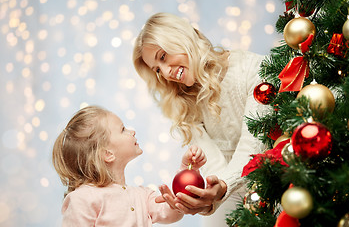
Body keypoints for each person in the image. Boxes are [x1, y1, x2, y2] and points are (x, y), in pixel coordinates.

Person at [132, 12, 268, 226]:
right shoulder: (182, 101)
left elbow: (254, 144)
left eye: (163, 56)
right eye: (157, 69)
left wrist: (222, 186)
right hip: (230, 189)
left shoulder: (253, 68)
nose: (166, 73)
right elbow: (213, 164)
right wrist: (210, 196)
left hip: (273, 176)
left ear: (181, 37)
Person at [52, 105, 206, 226]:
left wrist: (187, 171)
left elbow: (172, 210)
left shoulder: (142, 196)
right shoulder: (83, 199)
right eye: (123, 129)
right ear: (107, 154)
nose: (131, 131)